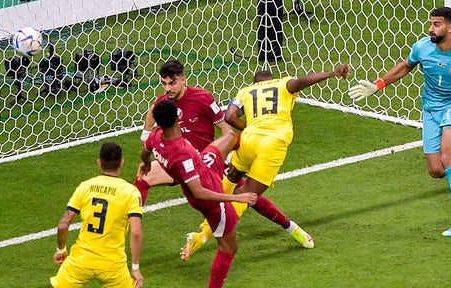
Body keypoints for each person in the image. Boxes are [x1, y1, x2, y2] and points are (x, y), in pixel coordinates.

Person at [348, 7, 451, 237]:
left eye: (436, 24)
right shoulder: (422, 47)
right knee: (436, 170)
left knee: (447, 157)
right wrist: (378, 84)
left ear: (450, 27)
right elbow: (405, 67)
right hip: (430, 109)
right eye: (431, 23)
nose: (431, 28)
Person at [134, 59, 315, 259]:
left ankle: (290, 227)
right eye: (164, 84)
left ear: (183, 80)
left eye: (172, 83)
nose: (168, 88)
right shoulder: (163, 102)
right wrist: (145, 137)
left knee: (249, 197)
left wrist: (226, 154)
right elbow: (152, 112)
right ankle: (129, 226)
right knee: (143, 179)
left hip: (207, 163)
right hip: (179, 162)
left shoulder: (202, 98)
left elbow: (226, 129)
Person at [183, 64, 351, 259]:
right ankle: (203, 235)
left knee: (233, 177)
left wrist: (247, 128)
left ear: (255, 83)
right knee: (246, 196)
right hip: (272, 144)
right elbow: (302, 82)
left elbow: (229, 116)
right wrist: (332, 73)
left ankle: (290, 229)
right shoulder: (282, 83)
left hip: (248, 140)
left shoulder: (246, 90)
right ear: (272, 79)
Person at [139, 99, 258, 288]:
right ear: (178, 117)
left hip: (204, 164)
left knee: (229, 137)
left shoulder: (156, 135)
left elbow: (144, 152)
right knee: (229, 247)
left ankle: (258, 143)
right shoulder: (182, 153)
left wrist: (145, 165)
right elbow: (200, 193)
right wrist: (237, 197)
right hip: (208, 193)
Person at [50, 142, 144, 288]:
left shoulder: (85, 186)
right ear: (122, 162)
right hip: (112, 265)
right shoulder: (130, 192)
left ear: (99, 162)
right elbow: (136, 233)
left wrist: (61, 250)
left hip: (81, 260)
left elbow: (63, 225)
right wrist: (136, 268)